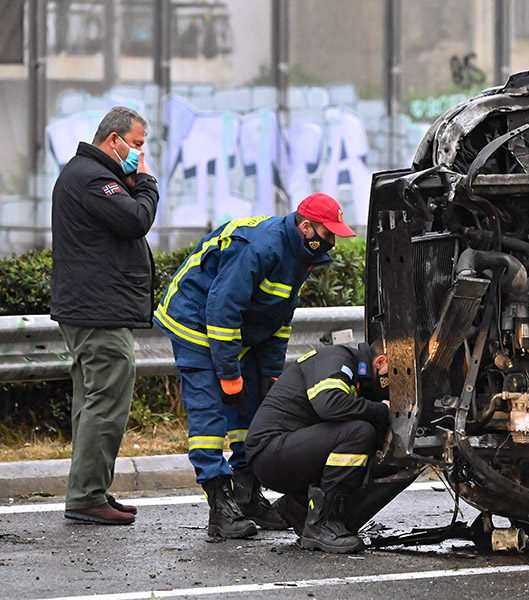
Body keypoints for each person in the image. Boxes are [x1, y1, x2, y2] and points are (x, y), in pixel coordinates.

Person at [154, 193, 356, 540]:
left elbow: (278, 319)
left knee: (252, 409)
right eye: (327, 233)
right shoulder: (261, 247)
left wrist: (270, 374)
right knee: (209, 414)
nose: (332, 243)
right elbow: (222, 308)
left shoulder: (301, 255)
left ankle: (247, 495)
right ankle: (220, 505)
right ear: (306, 227)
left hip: (236, 330)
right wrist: (228, 373)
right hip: (195, 321)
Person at [50, 106, 159, 525]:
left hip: (90, 307)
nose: (140, 155)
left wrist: (129, 183)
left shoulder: (86, 174)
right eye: (136, 145)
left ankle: (91, 490)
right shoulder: (93, 178)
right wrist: (146, 183)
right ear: (113, 139)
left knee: (92, 401)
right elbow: (136, 220)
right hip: (98, 311)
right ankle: (86, 497)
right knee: (106, 401)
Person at [245, 340, 390, 554]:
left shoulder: (358, 374)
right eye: (390, 376)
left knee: (367, 435)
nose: (388, 386)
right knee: (359, 433)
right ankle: (322, 525)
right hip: (270, 452)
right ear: (380, 362)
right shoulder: (337, 359)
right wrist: (383, 410)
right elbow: (330, 404)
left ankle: (299, 508)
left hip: (284, 450)